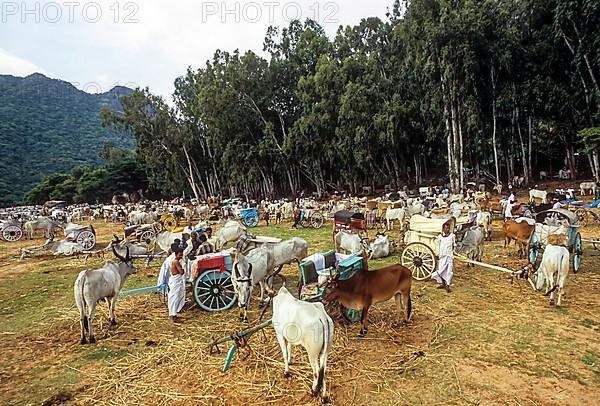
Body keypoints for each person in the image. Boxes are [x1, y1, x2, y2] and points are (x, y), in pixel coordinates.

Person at [431, 222, 455, 292]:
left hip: (449, 256)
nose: (447, 230)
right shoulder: (440, 237)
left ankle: (448, 285)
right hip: (442, 256)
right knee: (441, 270)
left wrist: (452, 252)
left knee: (449, 271)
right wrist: (438, 254)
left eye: (448, 228)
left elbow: (453, 245)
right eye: (445, 228)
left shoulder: (452, 236)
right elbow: (437, 246)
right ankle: (443, 283)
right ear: (443, 229)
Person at [168, 250, 186, 323]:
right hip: (176, 280)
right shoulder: (176, 262)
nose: (181, 257)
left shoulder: (174, 261)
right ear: (176, 254)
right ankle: (174, 315)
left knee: (176, 296)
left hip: (176, 280)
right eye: (180, 255)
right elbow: (181, 272)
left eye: (182, 255)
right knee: (175, 297)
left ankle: (174, 314)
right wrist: (183, 269)